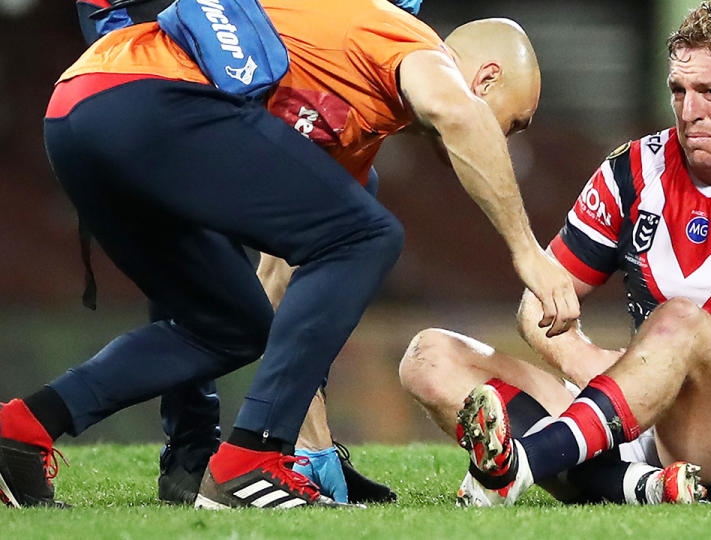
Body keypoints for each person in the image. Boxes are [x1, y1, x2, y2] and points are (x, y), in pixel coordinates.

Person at [0, 0, 579, 509]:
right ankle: (244, 462)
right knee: (371, 234)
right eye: (516, 122)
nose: (508, 139)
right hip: (145, 96)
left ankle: (22, 431)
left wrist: (316, 452)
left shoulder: (353, 122)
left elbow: (284, 281)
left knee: (233, 325)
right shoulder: (412, 43)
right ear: (485, 77)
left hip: (82, 116)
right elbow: (458, 114)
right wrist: (526, 252)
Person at [399, 0, 711, 506]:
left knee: (681, 324)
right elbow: (540, 299)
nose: (691, 110)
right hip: (638, 419)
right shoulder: (633, 172)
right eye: (680, 90)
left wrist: (685, 369)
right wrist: (586, 360)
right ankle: (640, 488)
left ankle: (524, 462)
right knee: (430, 357)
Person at [70, 0, 415, 506]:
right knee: (196, 229)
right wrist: (140, 60)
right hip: (192, 69)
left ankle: (298, 447)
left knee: (346, 217)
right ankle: (193, 446)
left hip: (298, 74)